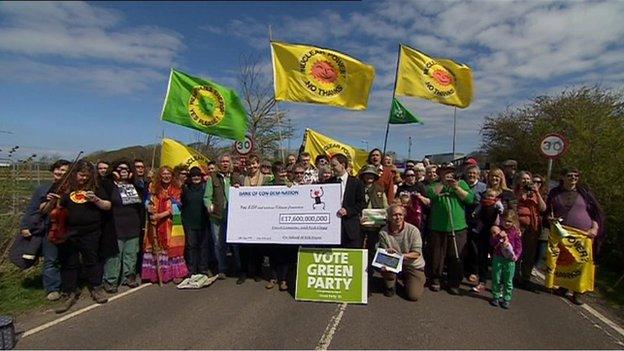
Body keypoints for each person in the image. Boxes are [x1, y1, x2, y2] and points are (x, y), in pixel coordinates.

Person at [41, 160, 112, 313]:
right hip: (67, 230)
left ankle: (95, 288)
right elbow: (43, 209)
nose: (84, 179)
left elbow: (108, 205)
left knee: (92, 260)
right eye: (81, 175)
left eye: (87, 176)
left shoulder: (96, 186)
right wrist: (51, 201)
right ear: (74, 173)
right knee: (69, 263)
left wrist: (96, 200)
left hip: (91, 231)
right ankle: (69, 292)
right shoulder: (63, 185)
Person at [546, 167, 604, 305]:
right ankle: (563, 287)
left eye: (576, 176)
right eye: (570, 175)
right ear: (563, 177)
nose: (573, 178)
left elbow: (596, 213)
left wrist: (595, 228)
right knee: (565, 261)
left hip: (583, 235)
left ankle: (578, 292)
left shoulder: (584, 193)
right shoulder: (555, 193)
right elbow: (549, 211)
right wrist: (550, 219)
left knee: (582, 262)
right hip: (563, 233)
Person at [20, 159, 70, 301]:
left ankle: (68, 285)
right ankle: (52, 288)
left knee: (67, 258)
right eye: (57, 169)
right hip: (51, 228)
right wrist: (24, 225)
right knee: (51, 259)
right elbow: (32, 209)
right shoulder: (43, 189)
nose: (59, 172)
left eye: (63, 170)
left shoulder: (71, 189)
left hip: (68, 228)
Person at [426, 164, 475, 294]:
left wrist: (456, 188)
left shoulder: (461, 183)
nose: (448, 175)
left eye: (450, 172)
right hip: (438, 227)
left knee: (456, 255)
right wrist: (443, 184)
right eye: (445, 173)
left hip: (458, 227)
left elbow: (470, 199)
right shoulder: (434, 185)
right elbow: (431, 194)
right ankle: (436, 279)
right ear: (440, 174)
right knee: (437, 255)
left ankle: (454, 282)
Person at [102, 159, 144, 293]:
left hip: (133, 225)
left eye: (126, 169)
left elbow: (140, 207)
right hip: (115, 225)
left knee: (131, 254)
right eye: (120, 169)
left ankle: (128, 276)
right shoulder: (108, 185)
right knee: (114, 256)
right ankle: (111, 280)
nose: (124, 171)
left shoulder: (135, 186)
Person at [142, 166, 188, 284]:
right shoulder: (153, 187)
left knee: (171, 246)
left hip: (170, 223)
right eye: (164, 174)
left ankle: (175, 273)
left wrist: (160, 215)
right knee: (156, 246)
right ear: (160, 176)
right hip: (155, 223)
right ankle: (158, 273)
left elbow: (176, 208)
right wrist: (148, 206)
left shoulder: (176, 189)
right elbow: (147, 201)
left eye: (168, 174)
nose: (166, 176)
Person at [204, 153, 242, 279]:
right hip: (217, 216)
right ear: (219, 164)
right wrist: (209, 206)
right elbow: (207, 197)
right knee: (219, 243)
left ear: (230, 163)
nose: (225, 163)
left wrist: (238, 187)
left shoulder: (235, 177)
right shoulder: (212, 178)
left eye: (227, 161)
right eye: (223, 161)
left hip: (234, 216)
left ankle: (239, 267)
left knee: (236, 244)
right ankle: (222, 268)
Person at [378, 204, 426, 301]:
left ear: (404, 215)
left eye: (400, 214)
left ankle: (416, 278)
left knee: (413, 296)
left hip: (412, 265)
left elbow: (416, 253)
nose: (398, 217)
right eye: (394, 215)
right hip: (393, 263)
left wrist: (399, 256)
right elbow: (384, 252)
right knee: (387, 283)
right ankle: (391, 282)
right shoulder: (383, 232)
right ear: (389, 217)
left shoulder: (413, 230)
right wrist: (386, 253)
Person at [237, 154, 271, 285]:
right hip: (244, 218)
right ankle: (243, 272)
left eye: (255, 164)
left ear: (259, 164)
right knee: (243, 246)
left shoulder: (266, 179)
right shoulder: (241, 179)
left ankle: (257, 271)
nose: (252, 166)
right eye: (250, 164)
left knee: (258, 247)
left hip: (260, 218)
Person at [514, 171, 546, 292]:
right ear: (519, 181)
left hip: (532, 227)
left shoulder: (535, 193)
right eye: (523, 179)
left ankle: (525, 278)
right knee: (517, 252)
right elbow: (514, 206)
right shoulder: (515, 192)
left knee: (529, 254)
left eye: (528, 179)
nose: (526, 181)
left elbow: (543, 208)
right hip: (518, 225)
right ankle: (515, 276)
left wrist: (536, 192)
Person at [359, 165, 388, 288]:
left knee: (373, 249)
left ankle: (369, 272)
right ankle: (359, 272)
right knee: (359, 248)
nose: (369, 176)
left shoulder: (380, 190)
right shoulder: (358, 188)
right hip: (360, 224)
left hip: (374, 226)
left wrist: (383, 217)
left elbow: (385, 207)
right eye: (367, 174)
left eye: (371, 174)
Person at [181, 166, 212, 277]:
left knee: (203, 246)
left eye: (198, 175)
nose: (196, 177)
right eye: (193, 175)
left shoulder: (206, 188)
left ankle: (203, 268)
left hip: (203, 221)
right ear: (190, 177)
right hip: (189, 222)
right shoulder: (185, 189)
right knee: (191, 247)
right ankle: (191, 269)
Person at [489, 209, 523, 309]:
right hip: (498, 257)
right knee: (496, 278)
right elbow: (492, 242)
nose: (507, 223)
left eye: (509, 221)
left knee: (508, 280)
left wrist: (516, 255)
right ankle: (495, 296)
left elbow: (519, 246)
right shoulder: (498, 230)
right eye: (505, 220)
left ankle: (506, 298)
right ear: (501, 220)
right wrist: (499, 235)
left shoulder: (515, 232)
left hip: (510, 260)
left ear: (514, 222)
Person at [330, 153, 365, 248]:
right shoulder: (328, 182)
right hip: (332, 230)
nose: (332, 168)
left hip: (350, 229)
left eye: (334, 165)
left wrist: (348, 210)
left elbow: (361, 203)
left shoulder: (357, 183)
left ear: (343, 165)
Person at [463, 165, 487, 285]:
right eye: (469, 173)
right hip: (463, 217)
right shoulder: (463, 184)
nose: (471, 175)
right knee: (463, 245)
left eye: (474, 173)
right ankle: (464, 269)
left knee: (475, 247)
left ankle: (474, 271)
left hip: (477, 219)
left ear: (478, 175)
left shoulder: (483, 187)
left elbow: (484, 203)